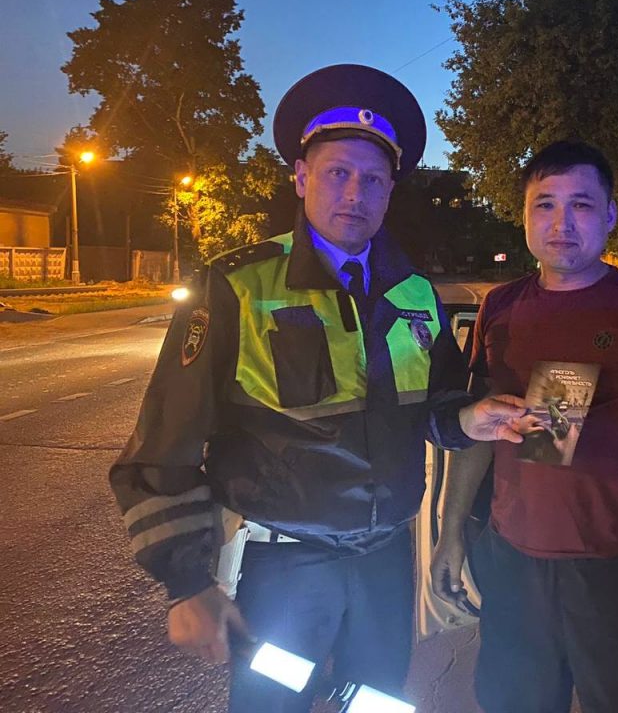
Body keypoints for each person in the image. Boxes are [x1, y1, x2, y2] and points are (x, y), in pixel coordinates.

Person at [110, 64, 525, 713]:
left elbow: (436, 408)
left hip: (384, 565)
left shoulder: (414, 293)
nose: (355, 193)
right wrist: (187, 583)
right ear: (301, 177)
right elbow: (163, 449)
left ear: (390, 191)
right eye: (338, 173)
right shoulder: (237, 287)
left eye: (373, 179)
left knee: (379, 705)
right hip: (283, 573)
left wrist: (472, 419)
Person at [430, 140, 618, 713]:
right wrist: (450, 534)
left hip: (613, 566)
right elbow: (479, 433)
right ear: (524, 216)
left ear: (611, 214)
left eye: (582, 205)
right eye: (545, 204)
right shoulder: (500, 308)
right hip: (512, 558)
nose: (562, 223)